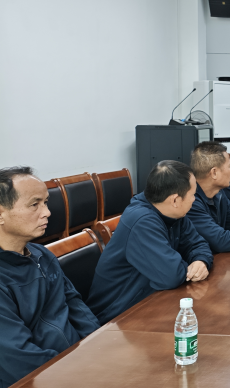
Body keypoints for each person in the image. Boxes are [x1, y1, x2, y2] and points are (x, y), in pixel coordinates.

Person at [0, 167, 100, 388]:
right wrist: (77, 372)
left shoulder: (41, 254)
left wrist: (98, 344)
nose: (47, 212)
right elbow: (19, 360)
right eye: (34, 204)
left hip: (76, 361)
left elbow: (73, 303)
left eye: (45, 202)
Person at [86, 161, 213, 325]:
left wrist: (200, 260)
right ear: (175, 200)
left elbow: (198, 244)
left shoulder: (173, 213)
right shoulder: (142, 221)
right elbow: (171, 275)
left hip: (153, 302)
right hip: (117, 317)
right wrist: (188, 265)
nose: (195, 199)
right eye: (192, 195)